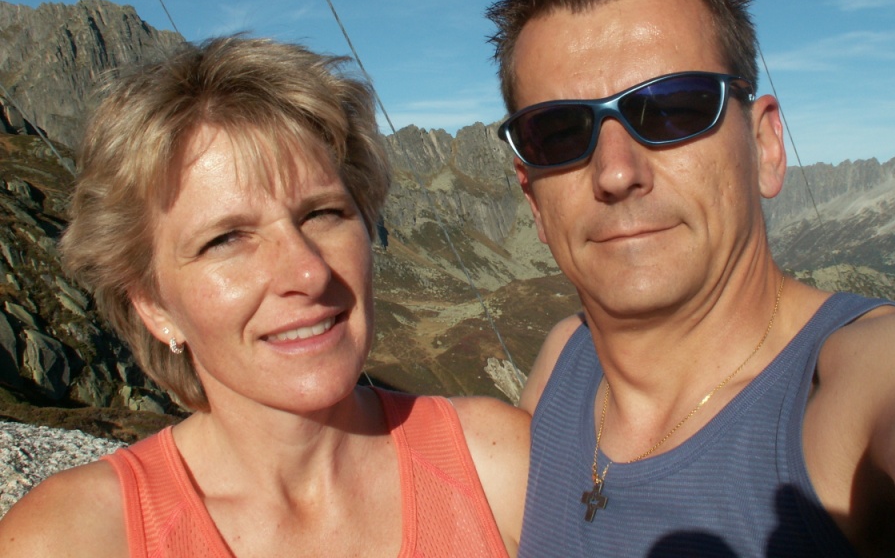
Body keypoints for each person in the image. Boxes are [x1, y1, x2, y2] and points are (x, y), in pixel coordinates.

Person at [487, 0, 895, 557]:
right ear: (533, 199)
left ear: (766, 146)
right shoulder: (564, 361)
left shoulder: (871, 382)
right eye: (557, 132)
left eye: (673, 108)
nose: (615, 172)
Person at [0, 35, 528, 557]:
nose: (307, 271)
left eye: (322, 213)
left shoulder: (502, 464)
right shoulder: (70, 539)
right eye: (225, 239)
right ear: (153, 306)